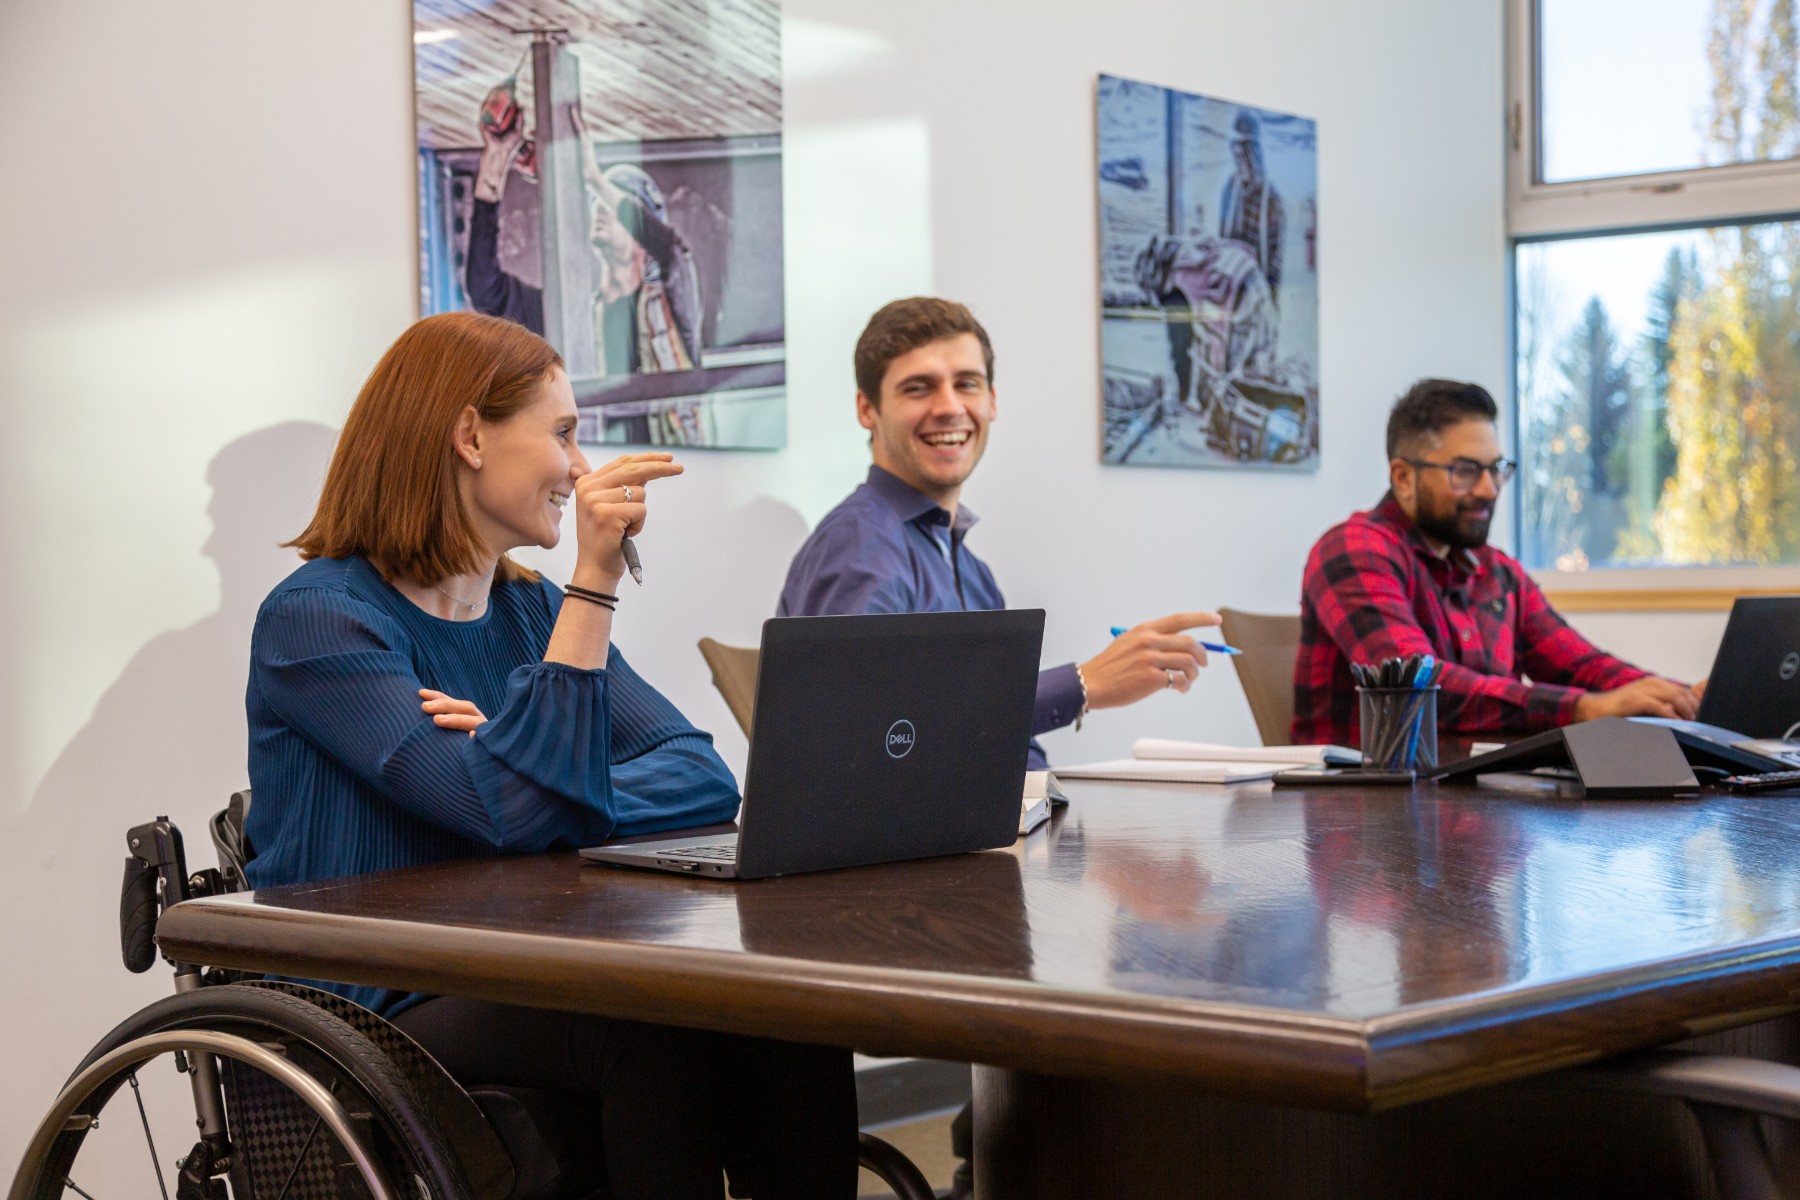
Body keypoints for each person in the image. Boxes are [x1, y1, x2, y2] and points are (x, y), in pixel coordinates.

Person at [245, 311, 856, 1199]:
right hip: (374, 998)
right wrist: (596, 580)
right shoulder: (321, 618)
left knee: (785, 1009)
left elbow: (701, 774)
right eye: (563, 433)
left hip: (514, 962)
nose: (579, 467)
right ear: (468, 436)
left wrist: (507, 751)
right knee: (648, 1034)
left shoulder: (524, 610)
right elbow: (500, 813)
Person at [779, 297, 1221, 770]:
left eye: (966, 384)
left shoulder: (972, 572)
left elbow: (1009, 753)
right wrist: (1082, 684)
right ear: (867, 409)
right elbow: (867, 732)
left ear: (992, 401)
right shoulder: (860, 544)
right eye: (918, 388)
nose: (949, 407)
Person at [1292, 378, 1700, 747]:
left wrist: (1683, 698)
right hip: (1366, 816)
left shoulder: (1498, 572)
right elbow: (1422, 690)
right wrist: (1586, 709)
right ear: (1402, 478)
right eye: (1465, 471)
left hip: (1477, 807)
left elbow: (1582, 667)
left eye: (1496, 469)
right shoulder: (1353, 550)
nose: (1489, 490)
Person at [464, 90, 702, 376]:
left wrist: (593, 179)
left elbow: (673, 252)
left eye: (614, 206)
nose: (601, 209)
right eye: (598, 204)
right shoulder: (570, 317)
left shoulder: (673, 313)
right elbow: (486, 291)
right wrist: (496, 159)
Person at [1218, 110, 1284, 304]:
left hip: (1259, 294)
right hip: (1232, 291)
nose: (1242, 159)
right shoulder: (1229, 189)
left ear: (1257, 152)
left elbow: (1275, 260)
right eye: (1237, 152)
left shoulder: (1271, 198)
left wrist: (1270, 299)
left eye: (1246, 151)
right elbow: (1222, 240)